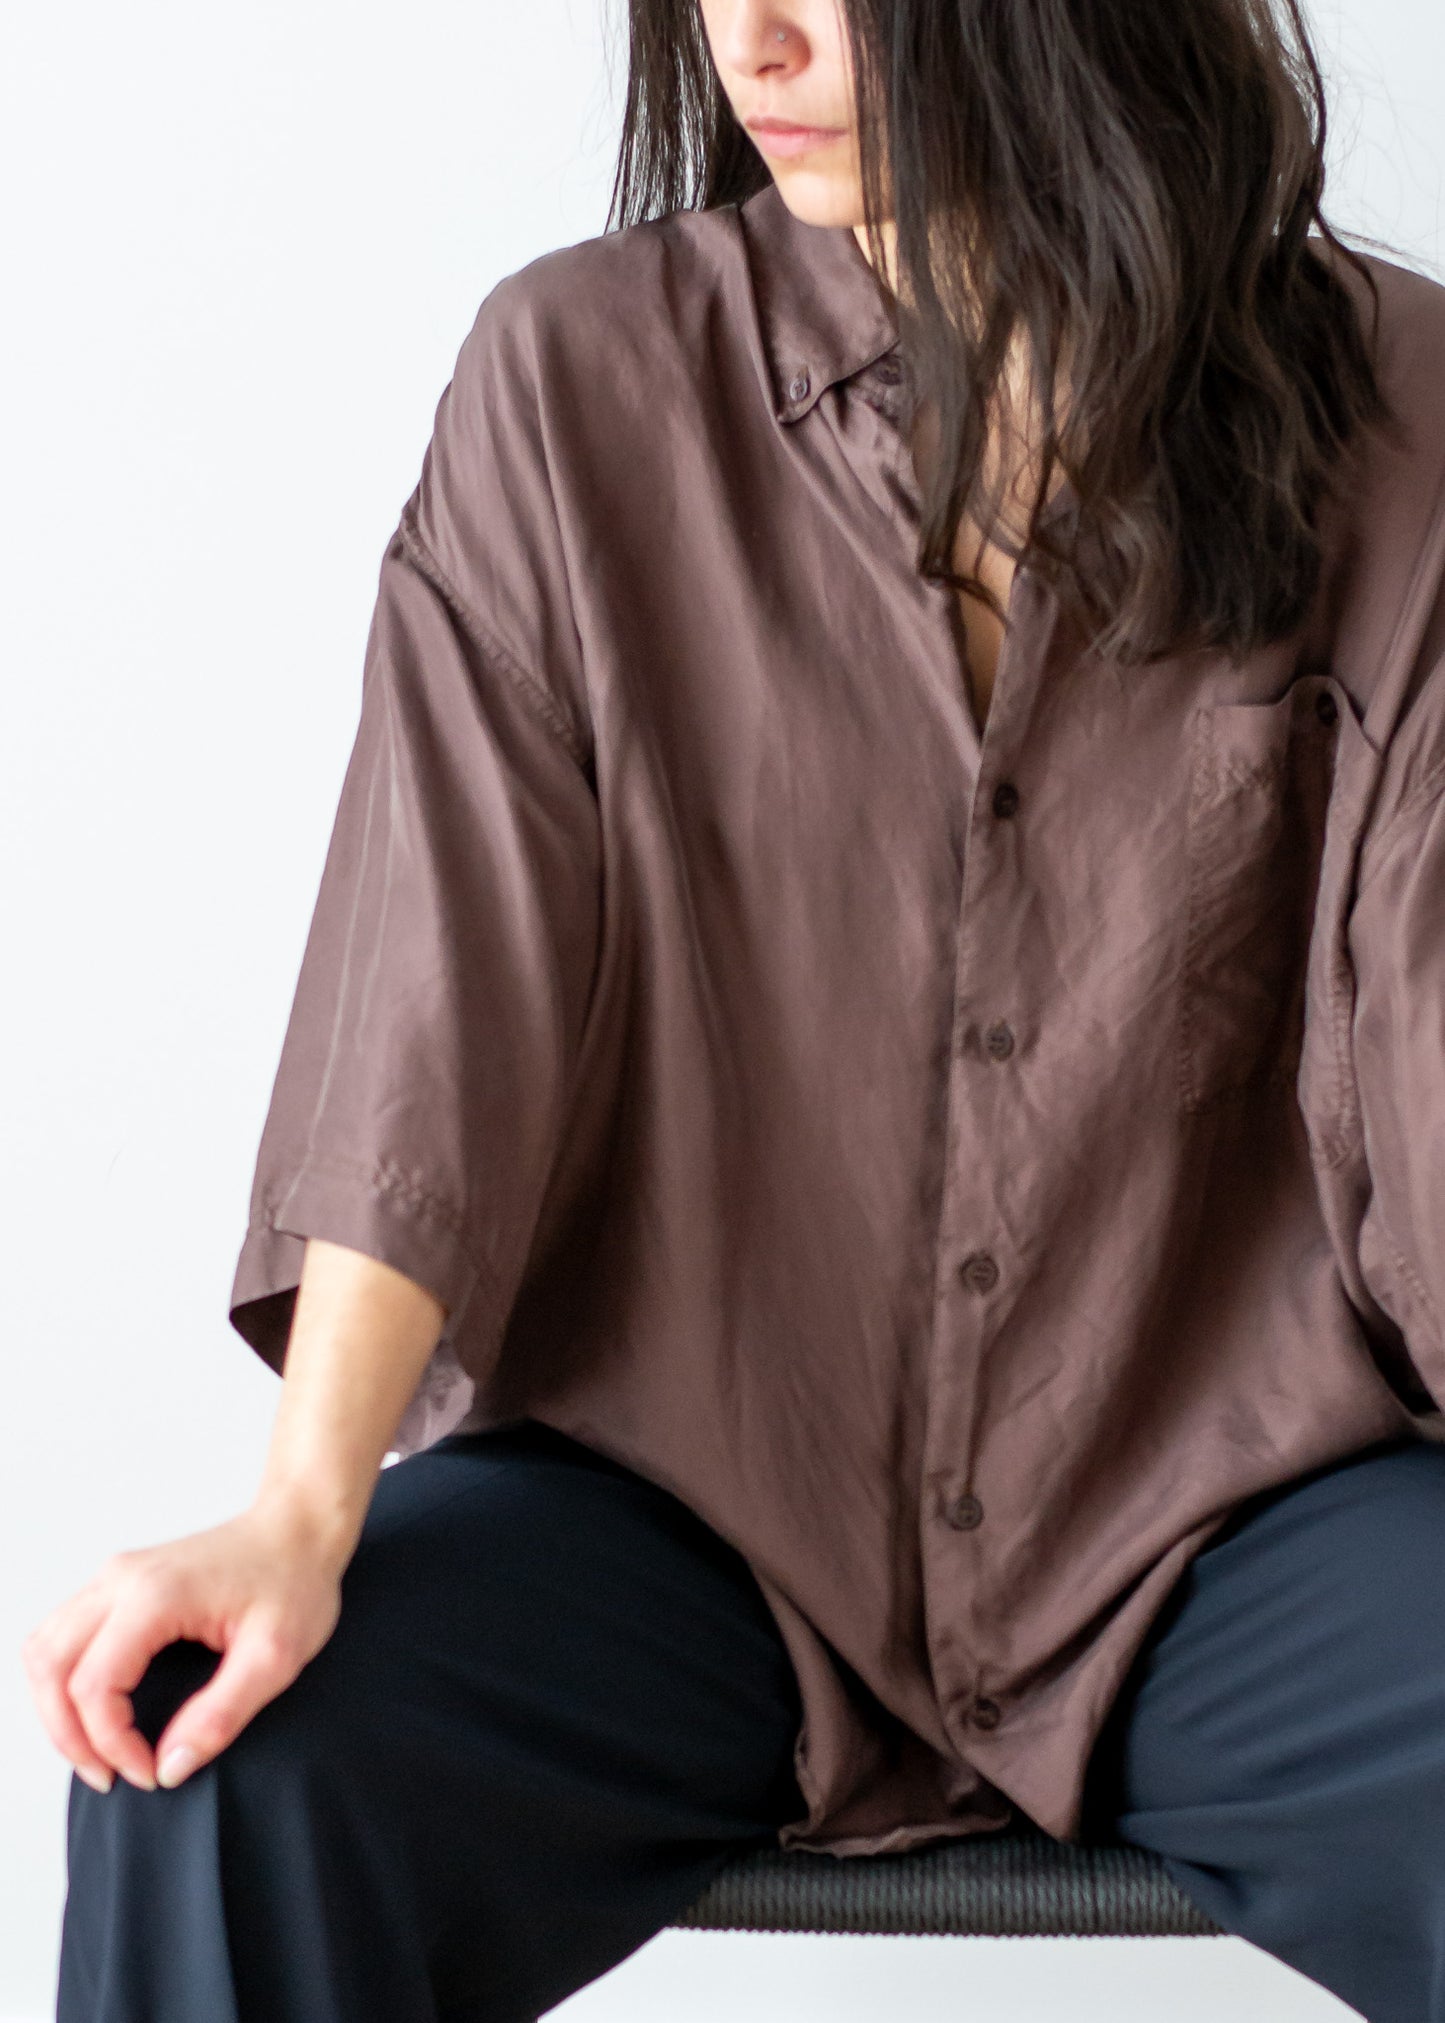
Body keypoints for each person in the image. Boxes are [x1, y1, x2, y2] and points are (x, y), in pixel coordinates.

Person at [23, 0, 1445, 2017]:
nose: (755, 42)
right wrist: (301, 1508)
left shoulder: (1405, 409)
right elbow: (440, 983)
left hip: (1229, 1515)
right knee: (216, 1757)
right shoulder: (575, 386)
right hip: (692, 1514)